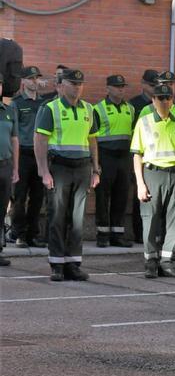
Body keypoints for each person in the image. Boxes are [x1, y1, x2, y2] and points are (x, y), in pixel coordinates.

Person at [34, 68, 100, 282]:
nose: (77, 87)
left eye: (80, 84)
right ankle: (56, 265)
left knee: (77, 219)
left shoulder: (89, 109)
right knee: (57, 216)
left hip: (82, 168)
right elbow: (40, 140)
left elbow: (92, 140)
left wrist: (95, 168)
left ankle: (73, 264)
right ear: (61, 86)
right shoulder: (50, 109)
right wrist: (43, 171)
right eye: (72, 83)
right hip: (59, 168)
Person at [131, 83, 175, 279]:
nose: (164, 101)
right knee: (150, 219)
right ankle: (150, 262)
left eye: (168, 98)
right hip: (152, 174)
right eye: (160, 98)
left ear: (172, 100)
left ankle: (166, 262)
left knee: (172, 222)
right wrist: (140, 183)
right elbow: (137, 155)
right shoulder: (144, 121)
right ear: (153, 100)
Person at [9, 66, 51, 248]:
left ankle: (33, 234)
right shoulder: (16, 103)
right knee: (19, 197)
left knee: (37, 197)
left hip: (40, 155)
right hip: (23, 154)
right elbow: (13, 133)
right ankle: (18, 233)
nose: (35, 81)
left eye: (37, 78)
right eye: (31, 78)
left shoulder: (44, 103)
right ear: (23, 81)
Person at [93, 74, 135, 247]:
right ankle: (102, 235)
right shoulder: (98, 109)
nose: (121, 89)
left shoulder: (130, 109)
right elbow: (92, 137)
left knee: (121, 195)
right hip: (105, 155)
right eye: (117, 86)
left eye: (123, 86)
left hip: (124, 157)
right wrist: (95, 163)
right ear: (108, 88)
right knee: (102, 196)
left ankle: (117, 235)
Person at [128, 69, 160, 244]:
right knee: (139, 194)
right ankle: (139, 233)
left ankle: (154, 233)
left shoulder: (163, 103)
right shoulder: (134, 104)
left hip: (157, 156)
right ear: (143, 84)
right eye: (152, 85)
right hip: (140, 154)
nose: (155, 89)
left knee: (156, 197)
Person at [0, 72, 19, 266]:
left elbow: (15, 140)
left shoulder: (8, 110)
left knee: (1, 209)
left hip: (5, 166)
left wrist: (15, 168)